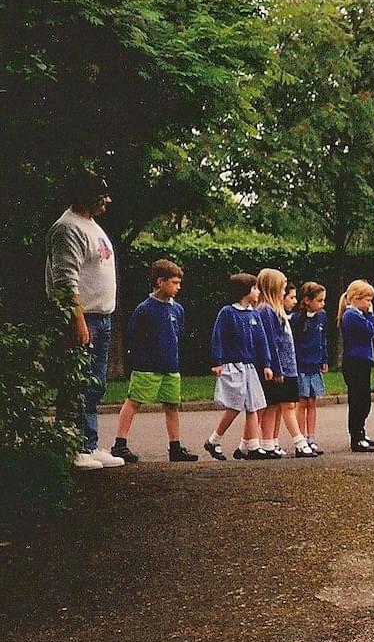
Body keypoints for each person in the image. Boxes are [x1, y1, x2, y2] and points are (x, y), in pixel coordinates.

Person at [45, 168, 124, 469]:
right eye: (102, 194)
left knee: (93, 385)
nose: (108, 199)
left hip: (100, 318)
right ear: (86, 195)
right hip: (83, 317)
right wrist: (76, 320)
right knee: (76, 384)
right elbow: (65, 280)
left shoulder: (91, 225)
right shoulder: (67, 228)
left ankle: (88, 444)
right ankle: (71, 446)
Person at [109, 259, 198, 463]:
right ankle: (119, 444)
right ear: (160, 282)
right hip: (147, 368)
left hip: (170, 366)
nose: (178, 287)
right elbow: (134, 335)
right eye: (174, 283)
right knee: (134, 401)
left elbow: (179, 333)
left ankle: (175, 447)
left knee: (172, 405)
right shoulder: (145, 309)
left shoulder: (178, 310)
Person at [202, 273, 270, 461]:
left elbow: (261, 341)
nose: (258, 292)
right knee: (234, 405)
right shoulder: (227, 313)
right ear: (244, 291)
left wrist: (266, 363)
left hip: (249, 366)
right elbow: (218, 338)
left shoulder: (253, 313)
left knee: (254, 406)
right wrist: (217, 361)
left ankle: (252, 446)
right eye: (255, 288)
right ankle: (214, 440)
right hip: (233, 366)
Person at [255, 269, 313, 458]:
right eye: (282, 287)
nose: (284, 292)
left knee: (274, 406)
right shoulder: (267, 311)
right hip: (282, 368)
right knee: (287, 405)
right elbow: (271, 342)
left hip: (288, 367)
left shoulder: (275, 311)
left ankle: (268, 443)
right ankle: (299, 442)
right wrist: (276, 368)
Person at [339, 279, 374, 453]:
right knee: (358, 401)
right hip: (355, 362)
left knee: (364, 400)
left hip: (362, 360)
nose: (370, 304)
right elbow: (369, 328)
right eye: (367, 300)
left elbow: (365, 335)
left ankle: (361, 432)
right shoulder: (352, 315)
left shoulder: (357, 315)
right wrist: (371, 314)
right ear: (356, 298)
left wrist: (373, 338)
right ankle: (356, 437)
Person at [290, 281, 329, 455]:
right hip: (301, 364)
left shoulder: (322, 316)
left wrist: (324, 359)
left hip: (315, 363)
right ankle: (301, 439)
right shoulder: (297, 320)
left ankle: (311, 437)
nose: (322, 304)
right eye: (319, 300)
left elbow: (323, 339)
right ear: (307, 300)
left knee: (312, 401)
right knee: (302, 401)